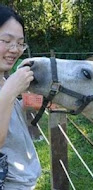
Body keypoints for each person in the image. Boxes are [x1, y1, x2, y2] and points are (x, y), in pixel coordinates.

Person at [0, 4, 41, 190]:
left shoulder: (3, 78)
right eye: (6, 41)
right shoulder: (7, 84)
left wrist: (26, 105)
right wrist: (10, 90)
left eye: (20, 43)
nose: (15, 49)